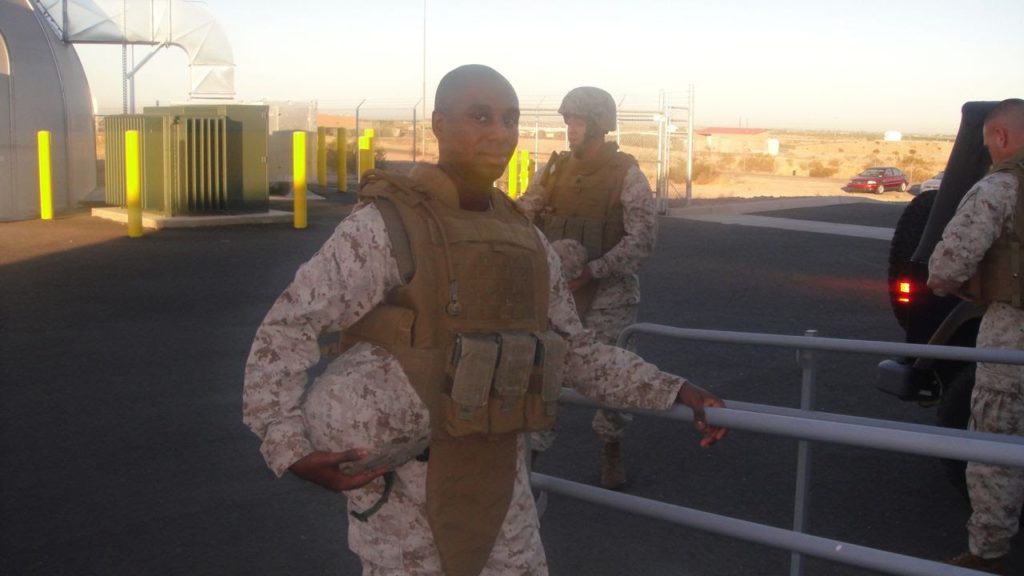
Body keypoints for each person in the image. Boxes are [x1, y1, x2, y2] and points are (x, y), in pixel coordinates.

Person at [243, 64, 727, 576]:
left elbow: (575, 352)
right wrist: (288, 446)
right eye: (480, 116)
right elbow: (289, 327)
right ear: (439, 124)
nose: (499, 133)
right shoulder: (386, 227)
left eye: (510, 119)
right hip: (403, 489)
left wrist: (673, 390)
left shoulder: (526, 239)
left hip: (499, 480)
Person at [516, 86, 656, 489]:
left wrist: (594, 271)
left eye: (578, 121)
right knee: (545, 375)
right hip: (559, 291)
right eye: (568, 121)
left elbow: (643, 240)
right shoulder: (554, 170)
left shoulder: (627, 175)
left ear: (599, 125)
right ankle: (530, 461)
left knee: (611, 376)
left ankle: (611, 446)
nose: (571, 129)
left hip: (609, 295)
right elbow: (523, 213)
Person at [928, 98, 1024, 575]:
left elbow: (946, 268)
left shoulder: (1000, 187)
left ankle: (989, 554)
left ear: (1000, 137)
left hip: (1012, 336)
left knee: (994, 448)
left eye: (988, 144)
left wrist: (957, 285)